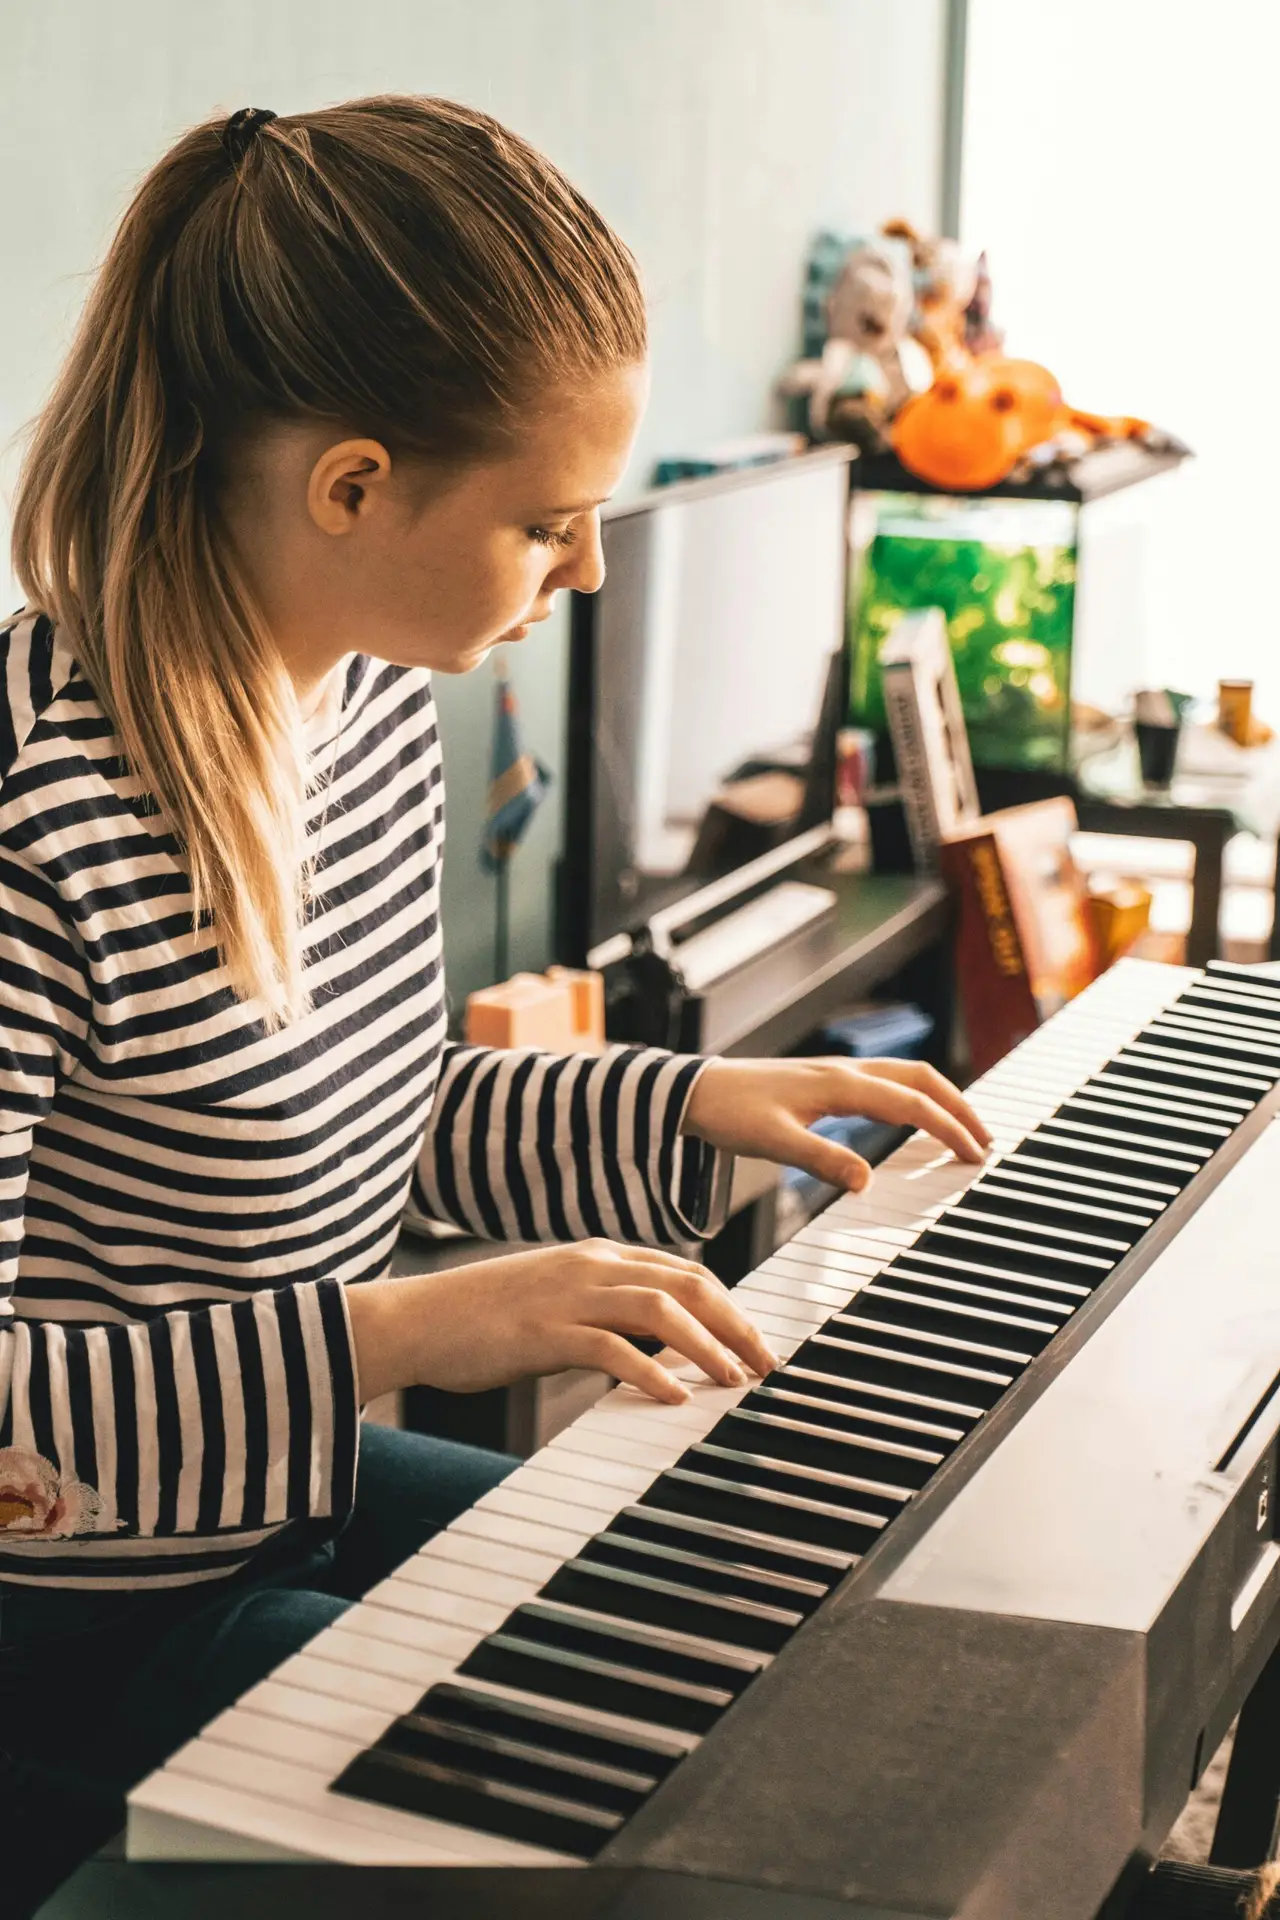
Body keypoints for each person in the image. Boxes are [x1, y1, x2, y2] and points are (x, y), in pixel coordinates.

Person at [0, 93, 990, 1877]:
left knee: (772, 1612)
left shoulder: (371, 705)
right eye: (551, 524)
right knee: (580, 1820)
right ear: (355, 487)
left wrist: (681, 1103)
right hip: (62, 1632)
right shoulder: (35, 819)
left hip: (267, 1511)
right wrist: (410, 1332)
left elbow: (350, 1108)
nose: (586, 571)